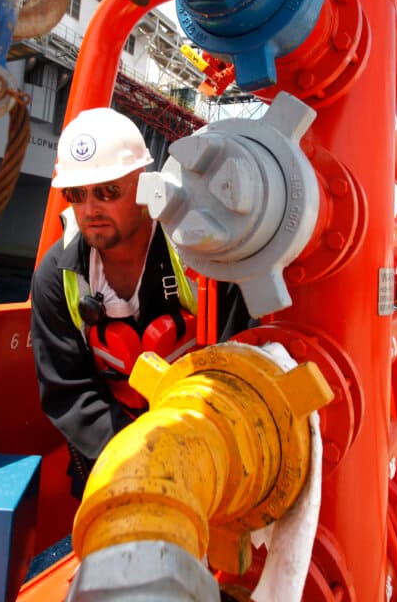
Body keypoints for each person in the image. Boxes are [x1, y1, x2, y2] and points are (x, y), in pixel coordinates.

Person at [29, 107, 251, 497]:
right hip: (114, 460)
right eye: (76, 195)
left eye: (108, 191)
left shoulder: (196, 252)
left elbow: (242, 354)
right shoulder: (57, 276)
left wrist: (199, 453)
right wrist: (142, 458)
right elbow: (68, 391)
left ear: (143, 185)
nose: (91, 209)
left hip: (212, 448)